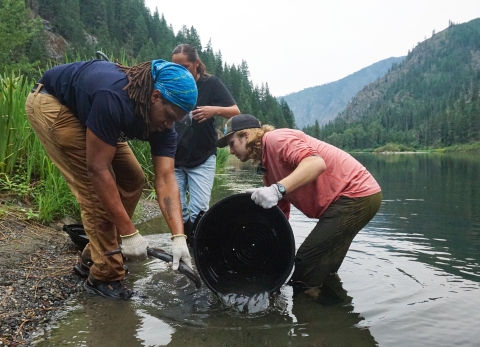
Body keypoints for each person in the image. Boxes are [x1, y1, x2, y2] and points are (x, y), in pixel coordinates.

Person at [25, 58, 197, 300]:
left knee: (133, 179)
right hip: (53, 103)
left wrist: (179, 237)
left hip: (90, 110)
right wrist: (129, 233)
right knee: (96, 194)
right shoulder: (115, 98)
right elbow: (98, 169)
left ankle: (93, 256)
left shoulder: (164, 124)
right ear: (155, 97)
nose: (169, 125)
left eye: (176, 121)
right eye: (168, 116)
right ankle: (105, 276)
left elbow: (166, 178)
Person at [216, 114, 382, 294]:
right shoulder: (267, 167)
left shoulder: (275, 139)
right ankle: (334, 308)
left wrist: (276, 190)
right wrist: (272, 247)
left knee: (305, 267)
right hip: (350, 200)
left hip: (355, 195)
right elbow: (281, 214)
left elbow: (316, 163)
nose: (230, 151)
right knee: (322, 271)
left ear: (246, 135)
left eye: (231, 143)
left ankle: (311, 316)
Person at [171, 44, 240, 244]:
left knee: (199, 211)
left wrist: (213, 110)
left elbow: (235, 111)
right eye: (176, 68)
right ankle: (182, 246)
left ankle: (198, 251)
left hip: (202, 156)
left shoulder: (212, 84)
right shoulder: (172, 83)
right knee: (177, 209)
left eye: (186, 67)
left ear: (197, 64)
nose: (181, 73)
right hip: (174, 155)